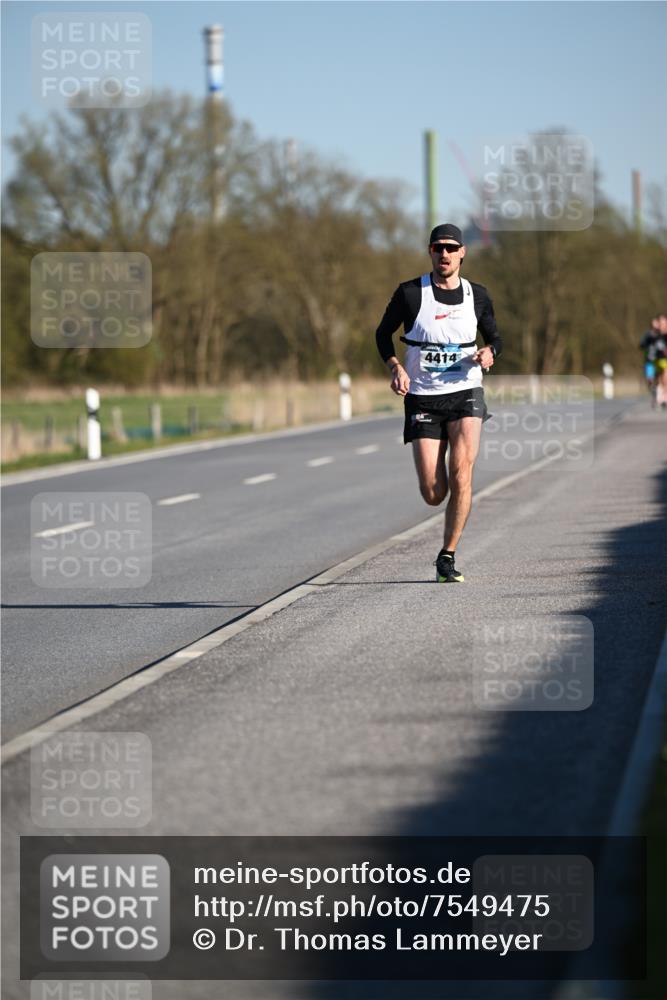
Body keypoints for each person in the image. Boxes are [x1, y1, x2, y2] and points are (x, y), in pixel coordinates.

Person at [375, 223, 502, 583]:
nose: (443, 254)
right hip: (423, 397)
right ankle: (443, 465)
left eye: (450, 248)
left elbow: (495, 337)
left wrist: (490, 352)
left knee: (463, 473)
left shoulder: (477, 295)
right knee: (433, 492)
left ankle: (447, 555)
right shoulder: (411, 293)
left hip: (465, 391)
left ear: (462, 252)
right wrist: (396, 366)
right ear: (430, 252)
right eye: (437, 248)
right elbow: (382, 334)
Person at [639, 315, 661, 405]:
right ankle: (654, 393)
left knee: (659, 379)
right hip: (649, 360)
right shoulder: (647, 334)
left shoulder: (662, 334)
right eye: (654, 323)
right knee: (650, 379)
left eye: (657, 323)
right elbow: (641, 344)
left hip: (659, 360)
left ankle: (659, 396)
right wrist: (645, 344)